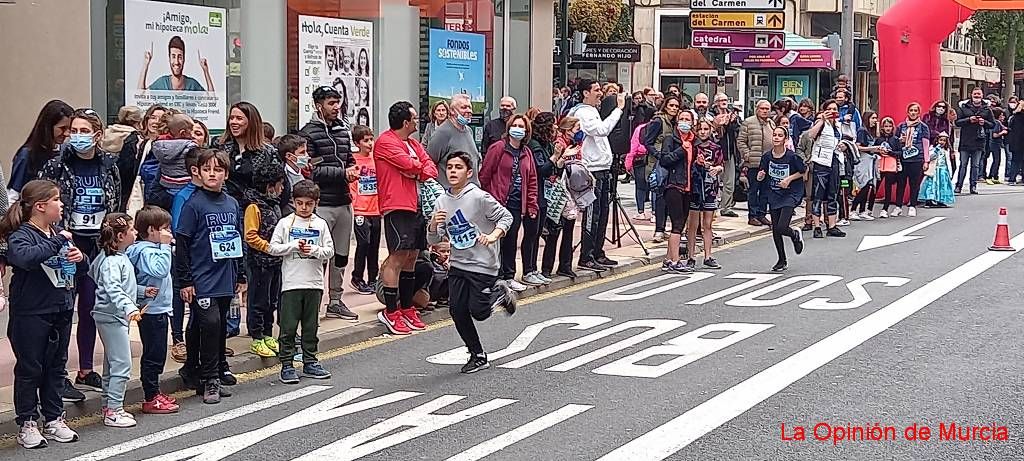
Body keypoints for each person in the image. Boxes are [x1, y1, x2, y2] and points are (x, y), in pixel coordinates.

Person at [38, 108, 121, 400]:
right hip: (66, 244)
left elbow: (115, 202)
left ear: (97, 135)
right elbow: (40, 202)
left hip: (96, 245)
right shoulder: (55, 166)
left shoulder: (110, 164)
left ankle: (86, 369)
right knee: (63, 308)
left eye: (84, 131)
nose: (77, 136)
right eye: (74, 130)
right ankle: (57, 376)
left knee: (90, 306)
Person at [3, 180, 85, 448]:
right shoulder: (23, 234)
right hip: (31, 312)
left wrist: (79, 258)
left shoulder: (58, 232)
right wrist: (59, 241)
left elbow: (77, 268)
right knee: (30, 368)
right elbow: (25, 258)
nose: (61, 204)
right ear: (40, 206)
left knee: (55, 367)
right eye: (56, 200)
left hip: (60, 308)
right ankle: (27, 422)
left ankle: (53, 419)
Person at [428, 151, 516, 374]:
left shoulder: (479, 197)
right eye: (449, 167)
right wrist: (432, 225)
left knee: (479, 311)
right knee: (457, 310)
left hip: (483, 263)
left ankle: (499, 293)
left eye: (458, 168)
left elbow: (506, 217)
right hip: (458, 264)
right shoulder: (441, 201)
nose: (453, 171)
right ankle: (477, 355)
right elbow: (434, 239)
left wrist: (494, 235)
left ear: (469, 173)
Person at [173, 148, 246, 404]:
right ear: (198, 172)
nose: (212, 174)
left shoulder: (231, 203)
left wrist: (241, 273)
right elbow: (182, 243)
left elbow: (238, 239)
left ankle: (195, 369)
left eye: (217, 169)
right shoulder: (194, 204)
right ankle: (210, 379)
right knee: (210, 323)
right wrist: (185, 280)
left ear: (225, 174)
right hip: (201, 277)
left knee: (215, 324)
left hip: (225, 275)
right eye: (207, 169)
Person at [373, 101, 438, 335]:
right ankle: (391, 311)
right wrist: (415, 168)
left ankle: (407, 308)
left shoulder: (412, 143)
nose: (417, 122)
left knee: (412, 256)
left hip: (416, 204)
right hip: (396, 205)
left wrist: (415, 169)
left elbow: (429, 167)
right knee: (397, 256)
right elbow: (407, 164)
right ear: (405, 122)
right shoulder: (386, 142)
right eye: (414, 118)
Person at [299, 86, 359, 320]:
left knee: (341, 255)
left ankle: (336, 300)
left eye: (338, 102)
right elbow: (310, 170)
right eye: (331, 103)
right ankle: (313, 303)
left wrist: (353, 170)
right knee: (318, 255)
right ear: (318, 105)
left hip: (344, 201)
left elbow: (349, 159)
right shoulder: (308, 133)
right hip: (321, 202)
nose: (336, 107)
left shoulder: (343, 131)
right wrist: (343, 173)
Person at [266, 180, 335, 384]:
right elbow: (273, 248)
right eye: (300, 203)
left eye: (309, 204)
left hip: (314, 283)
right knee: (288, 326)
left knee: (310, 325)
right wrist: (293, 246)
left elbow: (329, 251)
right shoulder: (286, 223)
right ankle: (286, 364)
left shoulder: (320, 224)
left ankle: (310, 361)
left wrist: (313, 250)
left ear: (316, 203)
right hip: (292, 283)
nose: (304, 208)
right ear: (294, 202)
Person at [124, 206, 180, 415]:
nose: (168, 233)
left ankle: (155, 391)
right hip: (151, 309)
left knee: (158, 352)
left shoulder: (151, 249)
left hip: (158, 307)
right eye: (164, 229)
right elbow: (159, 270)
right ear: (151, 230)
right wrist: (165, 247)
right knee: (154, 353)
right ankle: (151, 396)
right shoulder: (147, 251)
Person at [90, 213, 142, 428]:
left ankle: (108, 405)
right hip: (112, 317)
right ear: (121, 236)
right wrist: (129, 306)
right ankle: (114, 409)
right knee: (122, 363)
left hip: (111, 315)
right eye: (132, 230)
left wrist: (139, 291)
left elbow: (102, 280)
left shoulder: (111, 257)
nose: (136, 232)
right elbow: (112, 288)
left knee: (112, 364)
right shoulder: (112, 261)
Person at [569, 79, 624, 272]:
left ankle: (598, 252)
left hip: (602, 168)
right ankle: (587, 255)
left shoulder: (591, 111)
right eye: (596, 90)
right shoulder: (582, 112)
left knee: (602, 213)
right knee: (592, 215)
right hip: (591, 170)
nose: (600, 93)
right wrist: (618, 110)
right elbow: (602, 130)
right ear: (585, 93)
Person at [480, 114, 539, 291]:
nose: (518, 129)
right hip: (497, 203)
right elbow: (485, 174)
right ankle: (494, 278)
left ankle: (508, 276)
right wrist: (488, 198)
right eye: (515, 125)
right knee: (495, 241)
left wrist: (531, 204)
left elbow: (532, 179)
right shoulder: (498, 148)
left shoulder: (526, 152)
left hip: (515, 203)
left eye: (522, 126)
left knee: (511, 240)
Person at [242, 162, 286, 357]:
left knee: (272, 300)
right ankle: (257, 336)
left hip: (275, 261)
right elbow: (250, 235)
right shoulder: (253, 207)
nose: (282, 189)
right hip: (259, 261)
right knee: (258, 300)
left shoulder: (274, 204)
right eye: (280, 184)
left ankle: (268, 333)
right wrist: (268, 247)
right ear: (270, 186)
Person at [757, 127, 806, 272]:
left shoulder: (792, 156)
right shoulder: (767, 157)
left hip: (790, 193)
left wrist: (789, 179)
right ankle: (781, 260)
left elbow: (803, 171)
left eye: (780, 135)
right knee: (776, 230)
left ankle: (794, 234)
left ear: (785, 139)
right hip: (774, 193)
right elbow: (763, 172)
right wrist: (760, 175)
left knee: (782, 226)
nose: (776, 138)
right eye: (775, 135)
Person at [7, 100, 73, 205]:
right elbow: (13, 196)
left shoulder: (66, 152)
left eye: (69, 129)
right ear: (48, 126)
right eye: (62, 128)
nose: (66, 133)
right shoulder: (27, 155)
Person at [654, 109, 696, 273]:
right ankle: (675, 261)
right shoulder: (670, 138)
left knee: (681, 223)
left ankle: (668, 259)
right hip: (673, 185)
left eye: (688, 119)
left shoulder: (694, 140)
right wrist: (681, 150)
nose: (685, 121)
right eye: (682, 118)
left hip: (688, 186)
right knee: (677, 224)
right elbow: (664, 160)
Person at [542, 117, 581, 279]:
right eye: (577, 128)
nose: (579, 131)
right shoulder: (558, 143)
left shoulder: (575, 144)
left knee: (569, 230)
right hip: (557, 191)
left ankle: (565, 265)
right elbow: (554, 168)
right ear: (568, 128)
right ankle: (546, 268)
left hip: (570, 190)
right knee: (554, 230)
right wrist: (565, 156)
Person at [643, 96, 683, 243]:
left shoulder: (676, 123)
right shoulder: (658, 121)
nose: (674, 108)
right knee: (660, 196)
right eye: (671, 105)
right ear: (665, 106)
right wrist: (658, 154)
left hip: (673, 162)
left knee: (670, 196)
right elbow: (647, 141)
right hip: (658, 163)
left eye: (676, 106)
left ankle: (666, 228)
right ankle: (659, 230)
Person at [685, 119, 724, 270]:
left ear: (710, 130)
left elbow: (721, 164)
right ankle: (691, 256)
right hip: (695, 188)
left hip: (710, 189)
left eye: (706, 129)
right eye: (700, 129)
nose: (703, 132)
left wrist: (717, 168)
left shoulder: (716, 148)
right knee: (693, 225)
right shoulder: (692, 147)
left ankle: (708, 256)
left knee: (707, 224)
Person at [804, 100, 846, 238]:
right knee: (818, 194)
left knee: (832, 194)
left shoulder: (838, 126)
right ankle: (817, 226)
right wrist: (822, 119)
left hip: (834, 160)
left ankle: (832, 226)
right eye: (830, 109)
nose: (833, 112)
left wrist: (843, 146)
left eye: (835, 109)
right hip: (821, 162)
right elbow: (810, 135)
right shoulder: (821, 123)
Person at [349, 125, 382, 295]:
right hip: (360, 209)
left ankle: (372, 279)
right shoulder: (353, 160)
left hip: (376, 208)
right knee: (363, 243)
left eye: (371, 139)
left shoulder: (376, 159)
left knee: (374, 246)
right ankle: (357, 277)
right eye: (365, 140)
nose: (370, 144)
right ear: (357, 143)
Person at [426, 94, 481, 188]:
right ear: (451, 110)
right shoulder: (442, 133)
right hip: (452, 196)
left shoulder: (468, 131)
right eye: (463, 107)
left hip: (471, 194)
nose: (468, 111)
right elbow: (429, 162)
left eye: (470, 107)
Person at [148, 113, 198, 210]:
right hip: (187, 188)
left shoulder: (158, 146)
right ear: (183, 133)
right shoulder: (190, 147)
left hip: (167, 188)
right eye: (192, 131)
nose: (193, 134)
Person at [738, 100, 775, 227]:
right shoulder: (748, 122)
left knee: (765, 191)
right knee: (753, 190)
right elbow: (741, 141)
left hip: (768, 163)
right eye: (762, 108)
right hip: (753, 162)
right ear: (757, 109)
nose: (765, 111)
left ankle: (762, 214)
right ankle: (752, 215)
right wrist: (747, 154)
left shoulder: (771, 123)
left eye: (767, 109)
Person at [102, 106, 143, 212]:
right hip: (124, 186)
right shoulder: (133, 137)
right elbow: (130, 167)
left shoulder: (106, 133)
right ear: (138, 121)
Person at [954, 87, 994, 194]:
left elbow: (992, 124)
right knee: (963, 164)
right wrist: (969, 119)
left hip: (979, 141)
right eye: (975, 94)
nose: (977, 96)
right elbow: (957, 122)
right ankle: (959, 185)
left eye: (979, 94)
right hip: (965, 141)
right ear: (971, 95)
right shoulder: (964, 108)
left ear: (982, 96)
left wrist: (984, 122)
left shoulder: (987, 109)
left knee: (975, 165)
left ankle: (973, 186)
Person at [139, 35, 215, 92]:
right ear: (169, 59)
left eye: (180, 57)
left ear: (184, 59)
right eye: (173, 56)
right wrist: (146, 64)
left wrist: (206, 71)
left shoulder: (192, 85)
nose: (176, 62)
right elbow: (140, 96)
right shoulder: (162, 83)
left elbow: (212, 101)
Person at [894, 102, 931, 217]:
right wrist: (900, 140)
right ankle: (898, 206)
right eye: (911, 110)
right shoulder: (901, 126)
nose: (913, 113)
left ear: (919, 113)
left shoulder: (923, 127)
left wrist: (926, 160)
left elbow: (925, 144)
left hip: (917, 158)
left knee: (914, 183)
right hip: (903, 158)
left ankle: (912, 205)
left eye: (916, 111)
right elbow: (895, 142)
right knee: (901, 183)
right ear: (908, 112)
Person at [711, 94, 741, 218]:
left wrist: (732, 122)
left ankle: (726, 207)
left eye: (725, 100)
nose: (724, 102)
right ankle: (712, 206)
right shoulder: (710, 115)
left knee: (729, 181)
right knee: (713, 181)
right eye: (721, 100)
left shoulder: (732, 114)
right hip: (713, 152)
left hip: (729, 152)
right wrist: (718, 123)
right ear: (715, 102)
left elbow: (737, 131)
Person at [852, 112, 881, 220]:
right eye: (873, 118)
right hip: (863, 159)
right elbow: (858, 147)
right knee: (863, 185)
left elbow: (877, 136)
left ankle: (862, 210)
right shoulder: (862, 131)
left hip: (870, 160)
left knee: (869, 185)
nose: (875, 120)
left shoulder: (870, 131)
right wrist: (872, 149)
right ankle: (854, 209)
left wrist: (877, 126)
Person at [875, 117, 905, 219]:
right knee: (875, 185)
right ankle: (869, 209)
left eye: (889, 126)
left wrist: (891, 152)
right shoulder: (879, 139)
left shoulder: (895, 140)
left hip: (891, 166)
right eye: (886, 126)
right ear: (882, 127)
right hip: (879, 165)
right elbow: (874, 150)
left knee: (888, 187)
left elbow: (900, 153)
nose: (888, 128)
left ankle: (885, 209)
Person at [920, 132, 956, 208]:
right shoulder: (933, 148)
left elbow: (948, 161)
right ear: (937, 140)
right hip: (934, 170)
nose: (942, 142)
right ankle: (929, 200)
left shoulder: (947, 150)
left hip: (943, 170)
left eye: (944, 141)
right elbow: (929, 157)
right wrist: (935, 151)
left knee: (943, 185)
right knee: (931, 185)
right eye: (941, 140)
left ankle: (941, 200)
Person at [985, 107, 1008, 184]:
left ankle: (995, 176)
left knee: (998, 160)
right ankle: (990, 176)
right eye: (1001, 115)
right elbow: (995, 135)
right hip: (995, 143)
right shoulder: (996, 123)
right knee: (996, 160)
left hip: (996, 144)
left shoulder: (998, 123)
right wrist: (1002, 132)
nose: (1003, 117)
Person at [1008, 101, 1024, 184]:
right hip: (1019, 142)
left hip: (1015, 142)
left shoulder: (1015, 117)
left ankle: (1012, 178)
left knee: (1015, 161)